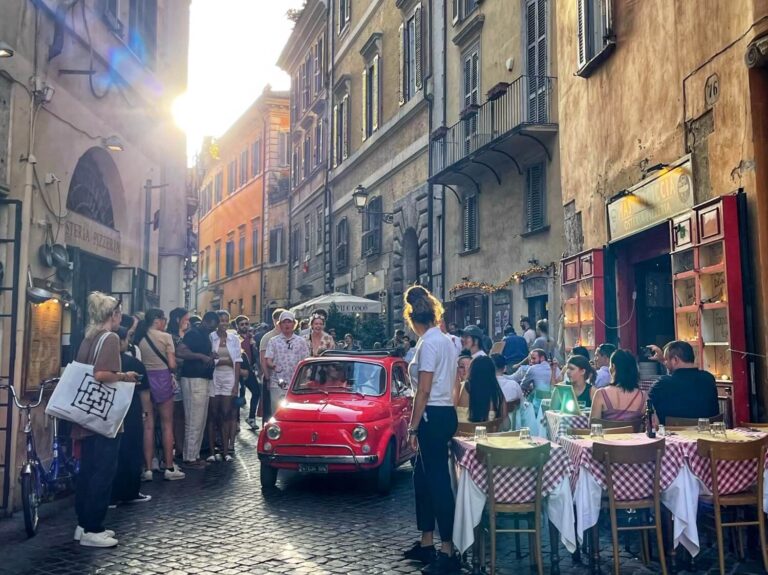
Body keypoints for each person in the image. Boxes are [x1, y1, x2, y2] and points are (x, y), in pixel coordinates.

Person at [402, 285, 461, 574]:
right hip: (444, 411)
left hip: (431, 415)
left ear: (412, 320)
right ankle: (427, 542)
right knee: (422, 479)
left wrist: (412, 428)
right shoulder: (448, 340)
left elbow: (423, 391)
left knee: (437, 482)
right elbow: (453, 381)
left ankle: (448, 550)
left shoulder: (427, 344)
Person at [73, 292, 139, 548]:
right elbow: (102, 374)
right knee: (103, 471)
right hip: (103, 415)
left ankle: (83, 524)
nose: (120, 316)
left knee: (88, 470)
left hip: (85, 415)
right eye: (119, 312)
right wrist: (125, 376)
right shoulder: (110, 338)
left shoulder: (89, 337)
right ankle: (93, 528)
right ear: (112, 315)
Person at [136, 309, 184, 481]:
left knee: (148, 425)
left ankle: (148, 469)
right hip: (162, 379)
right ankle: (169, 467)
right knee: (167, 424)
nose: (165, 322)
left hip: (145, 381)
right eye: (163, 319)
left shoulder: (139, 337)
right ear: (157, 320)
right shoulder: (166, 337)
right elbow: (171, 364)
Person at [110, 326, 151, 507]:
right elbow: (144, 394)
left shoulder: (101, 363)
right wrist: (145, 413)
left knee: (110, 453)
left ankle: (110, 495)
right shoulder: (134, 364)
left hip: (106, 411)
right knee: (131, 450)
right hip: (130, 411)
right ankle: (130, 492)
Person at [176, 311, 218, 467]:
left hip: (202, 378)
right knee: (194, 419)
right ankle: (190, 457)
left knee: (199, 420)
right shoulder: (193, 333)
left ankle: (194, 454)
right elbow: (180, 351)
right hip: (194, 379)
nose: (213, 329)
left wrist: (209, 355)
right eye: (212, 326)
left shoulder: (203, 334)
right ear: (207, 322)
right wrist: (201, 356)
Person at [647, 341, 719, 424]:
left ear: (675, 360)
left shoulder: (662, 384)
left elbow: (646, 405)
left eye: (666, 360)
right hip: (705, 434)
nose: (665, 363)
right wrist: (665, 361)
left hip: (673, 435)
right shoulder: (708, 378)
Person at [207, 310, 242, 462]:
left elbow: (237, 362)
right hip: (214, 377)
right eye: (221, 320)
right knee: (213, 414)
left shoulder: (234, 339)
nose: (224, 323)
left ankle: (225, 449)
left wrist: (236, 384)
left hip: (229, 377)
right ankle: (211, 449)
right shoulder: (210, 337)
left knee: (226, 413)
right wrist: (221, 361)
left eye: (226, 320)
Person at [265, 311, 310, 415]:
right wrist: (273, 365)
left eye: (289, 322)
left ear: (294, 324)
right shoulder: (273, 341)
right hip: (277, 382)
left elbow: (306, 361)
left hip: (296, 383)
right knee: (277, 411)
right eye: (284, 322)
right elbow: (268, 359)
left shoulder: (301, 341)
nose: (287, 325)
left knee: (294, 412)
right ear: (279, 325)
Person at [590, 349, 646, 423]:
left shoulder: (601, 394)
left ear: (613, 367)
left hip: (608, 434)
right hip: (634, 434)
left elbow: (592, 426)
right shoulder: (643, 396)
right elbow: (655, 425)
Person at [166, 307, 189, 469]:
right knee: (174, 414)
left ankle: (181, 446)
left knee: (182, 414)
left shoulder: (187, 336)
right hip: (175, 379)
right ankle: (176, 446)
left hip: (186, 378)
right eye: (186, 319)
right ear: (177, 319)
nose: (188, 322)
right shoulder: (171, 337)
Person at [456, 355, 507, 423]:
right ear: (492, 372)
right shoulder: (498, 392)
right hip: (489, 432)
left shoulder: (463, 387)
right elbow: (507, 425)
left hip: (463, 432)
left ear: (472, 370)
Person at [260, 308, 286, 422]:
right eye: (280, 320)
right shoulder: (267, 337)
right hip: (271, 377)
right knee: (269, 410)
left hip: (286, 378)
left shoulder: (289, 335)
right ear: (275, 321)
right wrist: (267, 377)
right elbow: (263, 359)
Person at [235, 315, 261, 430]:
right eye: (242, 324)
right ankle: (236, 421)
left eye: (246, 324)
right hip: (239, 370)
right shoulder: (235, 338)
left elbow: (255, 355)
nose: (245, 326)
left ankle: (251, 418)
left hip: (249, 370)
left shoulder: (251, 338)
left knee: (256, 392)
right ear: (237, 326)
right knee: (239, 396)